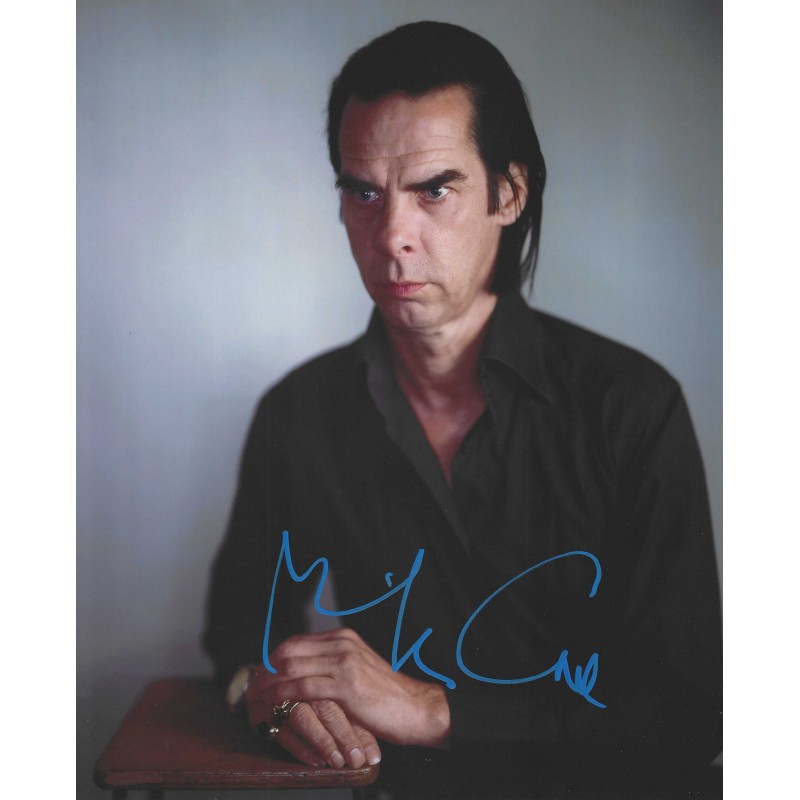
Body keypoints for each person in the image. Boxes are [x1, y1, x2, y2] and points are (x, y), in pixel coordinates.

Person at [204, 21, 721, 796]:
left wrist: (434, 710)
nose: (392, 236)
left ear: (509, 193)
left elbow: (689, 713)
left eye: (434, 190)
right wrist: (274, 704)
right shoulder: (299, 413)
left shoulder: (631, 408)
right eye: (363, 192)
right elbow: (241, 633)